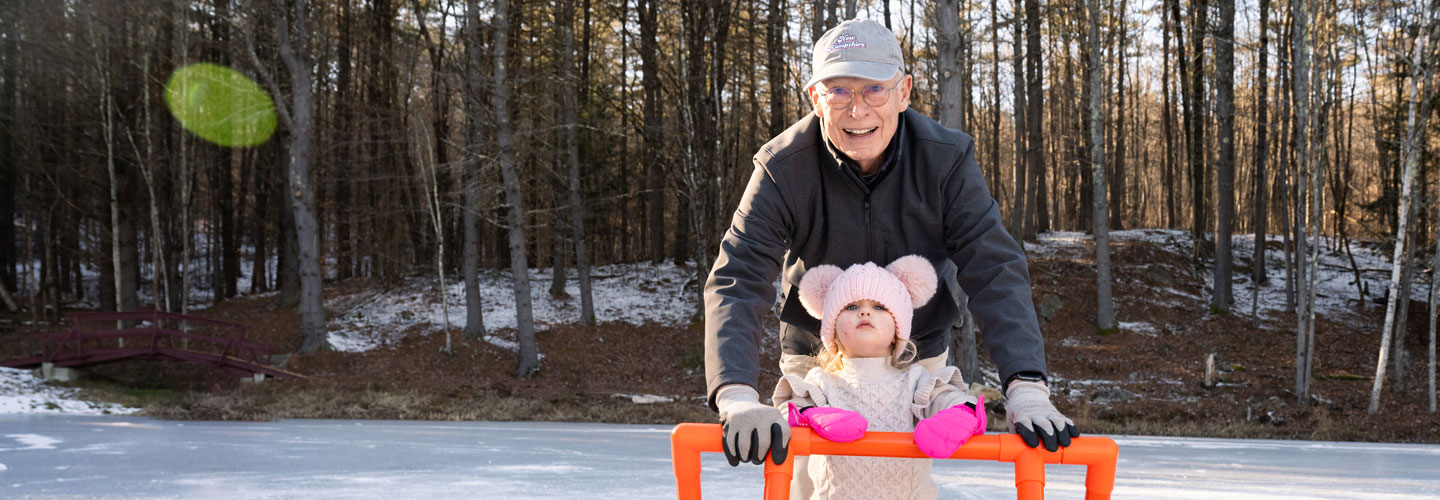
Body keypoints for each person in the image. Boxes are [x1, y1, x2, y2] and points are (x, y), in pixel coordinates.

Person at [703, 17, 1079, 496]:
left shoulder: (947, 160)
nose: (857, 109)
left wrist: (1026, 386)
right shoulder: (783, 167)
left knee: (904, 481)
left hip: (916, 356)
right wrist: (735, 395)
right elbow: (740, 274)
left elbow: (994, 268)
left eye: (874, 89)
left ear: (904, 92)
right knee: (812, 483)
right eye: (838, 91)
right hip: (821, 360)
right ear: (816, 98)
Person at [773, 256, 987, 499]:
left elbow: (946, 397)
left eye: (879, 307)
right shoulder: (821, 383)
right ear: (832, 330)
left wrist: (958, 414)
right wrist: (812, 415)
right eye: (851, 307)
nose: (865, 311)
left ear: (897, 331)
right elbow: (790, 410)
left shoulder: (915, 380)